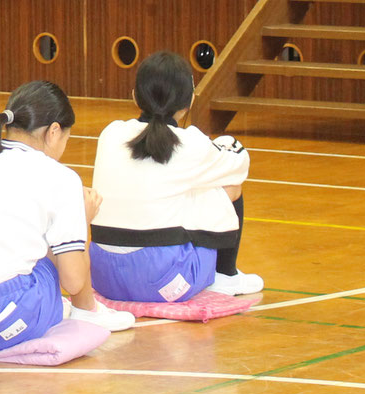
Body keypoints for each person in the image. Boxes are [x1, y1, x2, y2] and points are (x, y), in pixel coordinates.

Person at [0, 80, 135, 351]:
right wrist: (81, 221)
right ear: (54, 132)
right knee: (52, 256)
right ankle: (87, 311)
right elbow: (72, 281)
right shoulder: (60, 177)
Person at [90, 52, 262, 302]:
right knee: (228, 186)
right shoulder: (190, 143)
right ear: (189, 99)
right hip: (165, 282)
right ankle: (226, 274)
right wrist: (224, 142)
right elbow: (239, 165)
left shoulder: (110, 133)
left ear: (135, 95)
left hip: (105, 278)